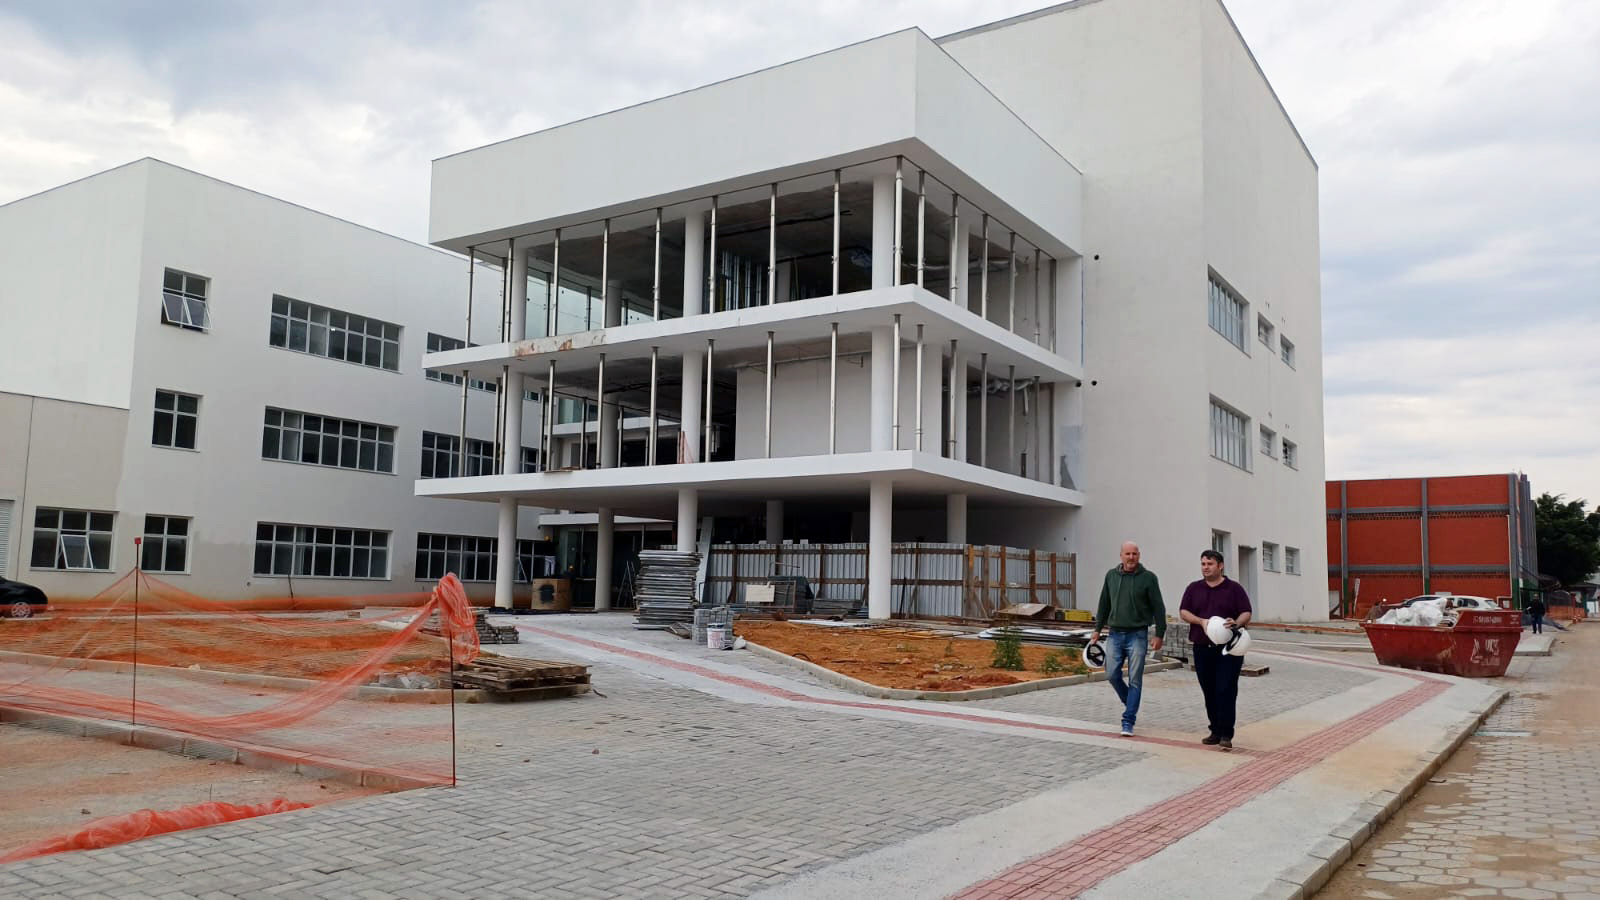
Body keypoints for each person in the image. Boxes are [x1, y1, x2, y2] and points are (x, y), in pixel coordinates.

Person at [1178, 549, 1252, 751]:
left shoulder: (1234, 589)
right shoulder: (1194, 588)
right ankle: (1215, 730)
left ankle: (1227, 733)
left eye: (1210, 564)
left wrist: (1236, 622)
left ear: (1220, 566)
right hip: (1202, 647)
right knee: (1209, 690)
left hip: (1228, 650)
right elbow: (1184, 611)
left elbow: (1247, 611)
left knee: (1226, 689)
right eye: (1203, 564)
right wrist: (1200, 621)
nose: (1206, 568)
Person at [1091, 542, 1166, 737]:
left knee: (1135, 679)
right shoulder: (1111, 576)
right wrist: (1097, 629)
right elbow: (1104, 603)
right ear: (1121, 555)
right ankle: (1131, 701)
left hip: (1138, 635)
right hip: (1115, 634)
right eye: (1127, 554)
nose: (1131, 557)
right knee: (1111, 675)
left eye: (1134, 554)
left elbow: (1159, 608)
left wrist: (1160, 633)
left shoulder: (1149, 578)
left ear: (1139, 555)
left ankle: (1128, 720)